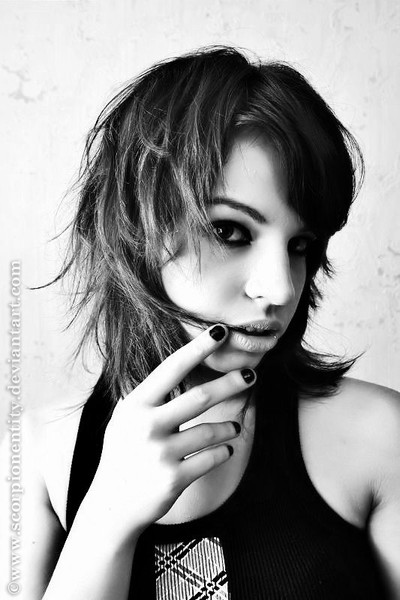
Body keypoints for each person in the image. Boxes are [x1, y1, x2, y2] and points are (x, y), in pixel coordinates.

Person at [10, 46, 400, 599]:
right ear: (134, 227)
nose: (281, 289)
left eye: (300, 244)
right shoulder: (39, 452)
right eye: (229, 231)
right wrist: (104, 519)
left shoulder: (377, 436)